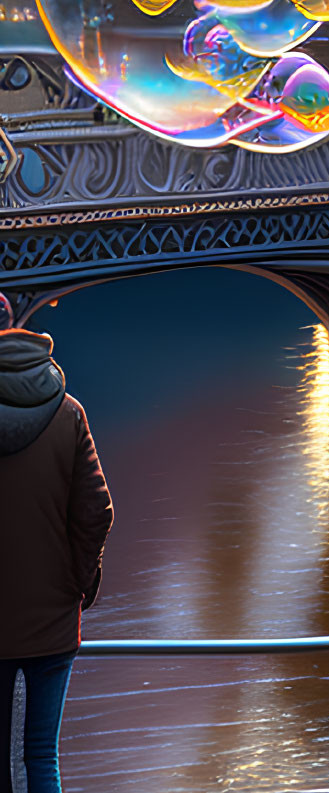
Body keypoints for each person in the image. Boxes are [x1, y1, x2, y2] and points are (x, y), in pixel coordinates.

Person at [0, 299, 113, 793]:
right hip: (54, 621)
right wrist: (81, 583)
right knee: (42, 756)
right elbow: (96, 512)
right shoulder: (68, 412)